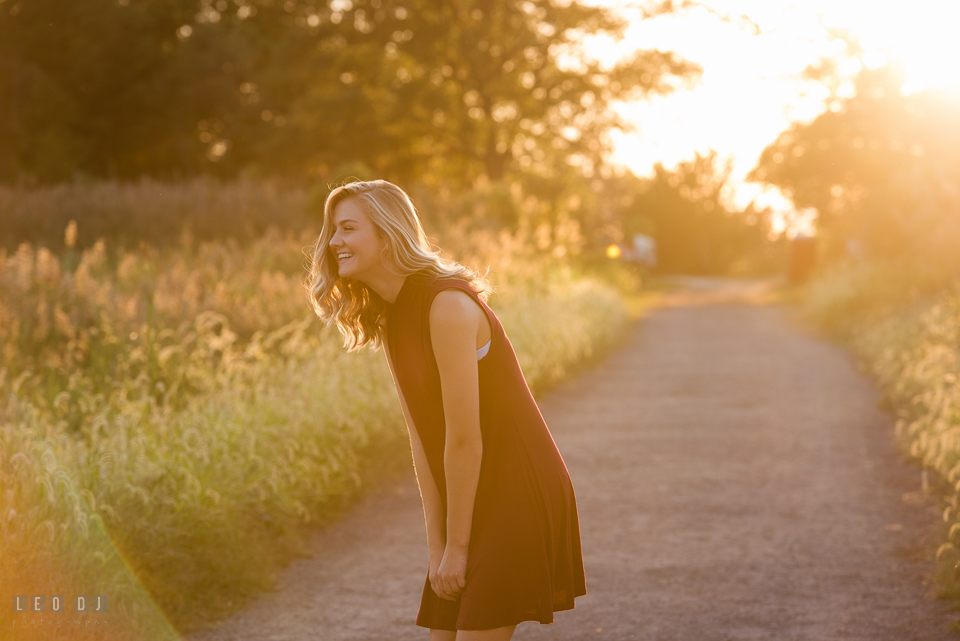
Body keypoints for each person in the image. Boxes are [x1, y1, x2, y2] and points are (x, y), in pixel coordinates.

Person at [304, 179, 586, 640]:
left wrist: (459, 547)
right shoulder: (392, 316)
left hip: (517, 489)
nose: (334, 242)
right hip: (471, 491)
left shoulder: (446, 305)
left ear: (387, 233)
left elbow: (462, 439)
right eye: (333, 230)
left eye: (348, 228)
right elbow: (423, 440)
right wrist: (438, 547)